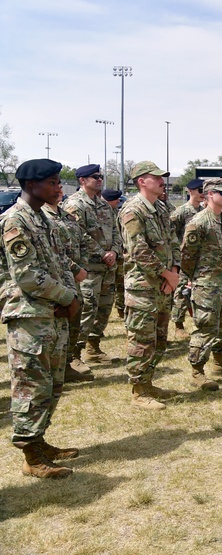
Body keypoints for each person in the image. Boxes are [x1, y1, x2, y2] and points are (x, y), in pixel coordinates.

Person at [2, 159, 81, 478]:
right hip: (30, 314)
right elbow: (28, 276)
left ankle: (39, 440)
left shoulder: (43, 218)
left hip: (52, 312)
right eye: (51, 182)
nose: (57, 187)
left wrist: (69, 295)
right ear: (31, 185)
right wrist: (67, 297)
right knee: (31, 385)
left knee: (51, 384)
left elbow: (60, 262)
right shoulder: (16, 220)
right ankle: (31, 457)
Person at [119, 161, 182, 409]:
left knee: (159, 339)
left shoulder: (161, 209)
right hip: (143, 287)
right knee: (141, 341)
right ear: (141, 181)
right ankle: (138, 391)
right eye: (156, 177)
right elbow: (138, 251)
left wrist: (174, 271)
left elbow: (173, 241)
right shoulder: (133, 210)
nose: (161, 181)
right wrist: (166, 274)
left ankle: (148, 383)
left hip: (164, 284)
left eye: (162, 177)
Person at [181, 178, 222, 388]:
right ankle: (197, 371)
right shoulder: (198, 222)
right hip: (207, 285)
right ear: (209, 195)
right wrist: (194, 280)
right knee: (205, 327)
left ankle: (220, 360)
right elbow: (186, 257)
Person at [61, 164, 121, 365]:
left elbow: (115, 231)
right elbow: (77, 234)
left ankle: (93, 348)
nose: (99, 179)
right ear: (82, 180)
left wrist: (114, 250)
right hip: (88, 268)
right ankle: (74, 355)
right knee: (86, 310)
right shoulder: (75, 205)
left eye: (100, 176)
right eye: (95, 177)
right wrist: (102, 252)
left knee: (103, 310)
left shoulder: (104, 205)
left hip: (107, 268)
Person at [42, 198, 92, 383]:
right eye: (53, 184)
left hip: (74, 279)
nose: (58, 190)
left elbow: (83, 242)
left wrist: (83, 266)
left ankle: (68, 363)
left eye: (60, 185)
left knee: (74, 320)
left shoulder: (69, 217)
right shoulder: (43, 218)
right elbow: (53, 252)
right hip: (56, 279)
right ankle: (55, 368)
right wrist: (75, 268)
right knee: (57, 324)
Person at [170, 178, 204, 333]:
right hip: (184, 258)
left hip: (201, 257)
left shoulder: (203, 211)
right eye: (200, 191)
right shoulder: (181, 212)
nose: (202, 194)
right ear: (190, 191)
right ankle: (178, 323)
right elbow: (172, 234)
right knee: (181, 290)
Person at [102, 189, 127, 319]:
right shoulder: (101, 213)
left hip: (120, 254)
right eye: (115, 199)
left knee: (121, 284)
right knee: (109, 288)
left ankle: (122, 310)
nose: (118, 201)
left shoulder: (118, 212)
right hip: (106, 257)